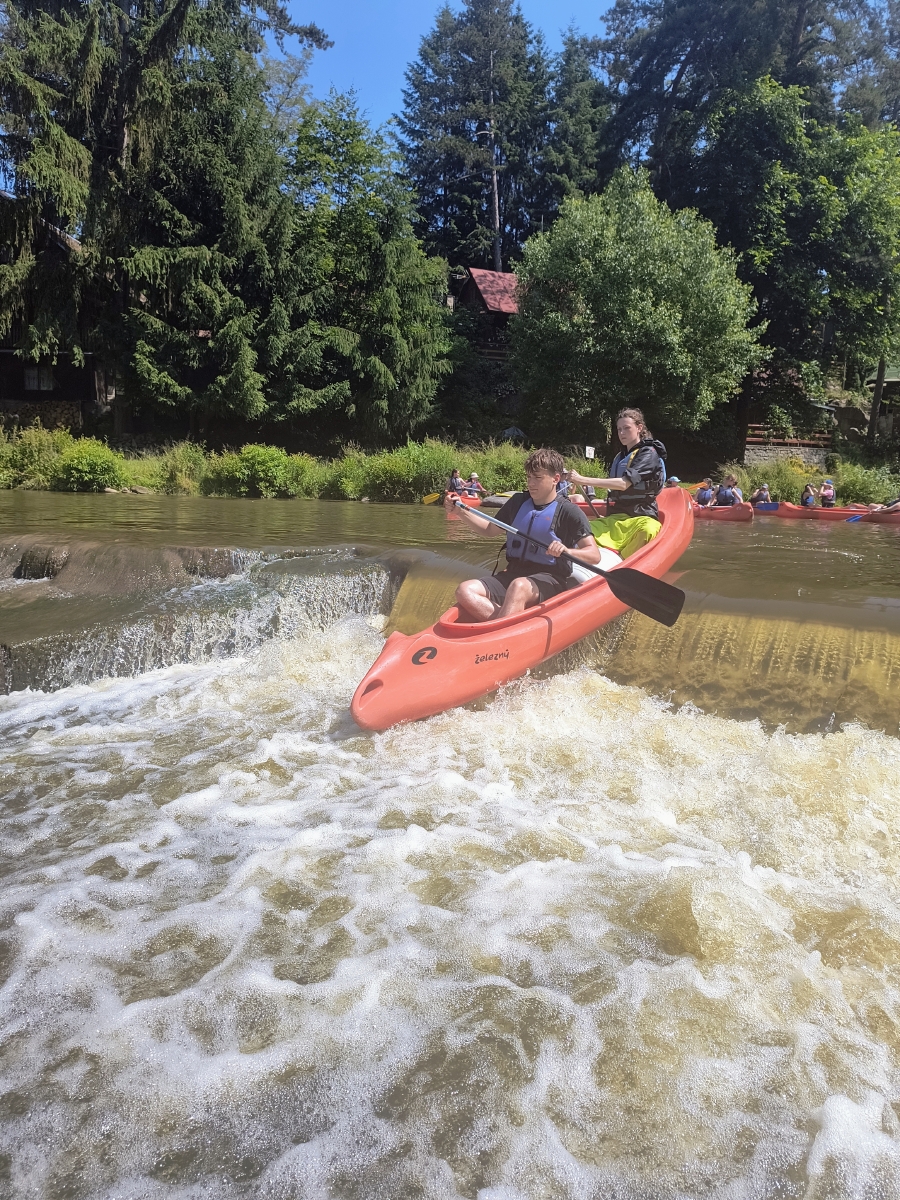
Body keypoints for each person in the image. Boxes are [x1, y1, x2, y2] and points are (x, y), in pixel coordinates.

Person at [445, 448, 600, 621]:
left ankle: (501, 629)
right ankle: (504, 620)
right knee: (465, 590)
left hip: (550, 579)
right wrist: (460, 512)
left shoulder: (569, 511)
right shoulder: (517, 503)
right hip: (514, 573)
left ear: (556, 479)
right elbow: (489, 530)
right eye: (529, 477)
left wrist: (567, 551)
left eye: (538, 478)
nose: (531, 483)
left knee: (518, 587)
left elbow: (594, 555)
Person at [566, 407, 666, 559]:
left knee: (648, 530)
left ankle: (624, 561)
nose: (622, 433)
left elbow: (624, 484)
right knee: (578, 530)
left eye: (627, 428)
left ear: (639, 428)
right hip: (616, 517)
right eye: (619, 429)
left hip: (641, 516)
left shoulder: (648, 453)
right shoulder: (621, 456)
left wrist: (582, 479)